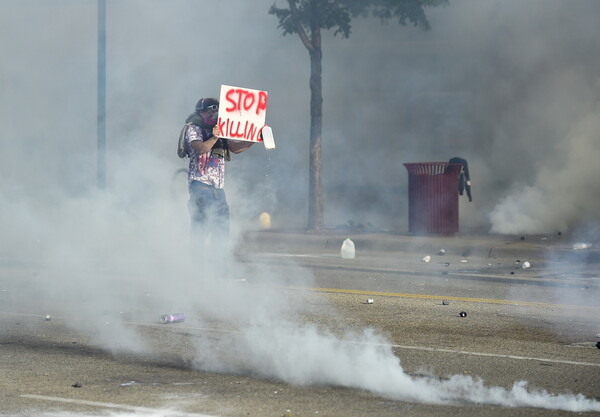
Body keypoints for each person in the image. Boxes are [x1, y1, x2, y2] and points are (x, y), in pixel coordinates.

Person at [182, 97, 254, 253]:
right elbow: (200, 148)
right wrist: (215, 136)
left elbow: (234, 148)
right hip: (200, 185)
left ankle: (220, 270)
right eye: (211, 109)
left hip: (218, 189)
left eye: (217, 110)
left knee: (221, 229)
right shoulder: (193, 128)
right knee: (201, 228)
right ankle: (195, 268)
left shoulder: (220, 128)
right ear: (201, 112)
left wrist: (253, 139)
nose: (215, 113)